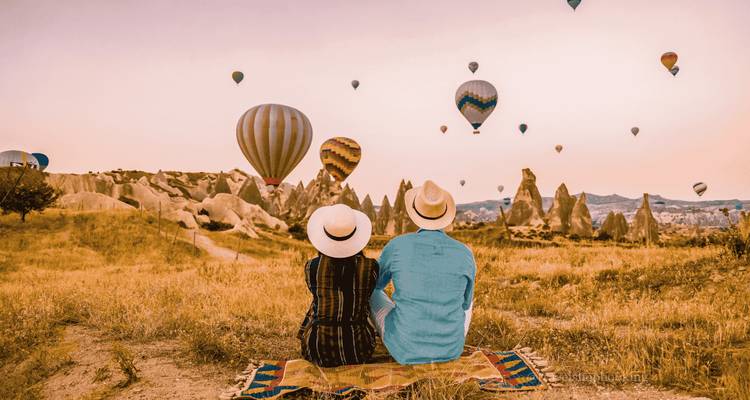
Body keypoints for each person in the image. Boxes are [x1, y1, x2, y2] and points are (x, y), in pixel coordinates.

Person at [370, 180, 476, 365]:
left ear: (415, 214)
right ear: (445, 214)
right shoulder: (465, 252)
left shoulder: (397, 246)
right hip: (451, 349)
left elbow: (376, 284)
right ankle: (443, 339)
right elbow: (466, 304)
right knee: (470, 302)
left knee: (371, 292)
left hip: (404, 348)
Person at [298, 204, 379, 367]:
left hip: (317, 348)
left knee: (318, 301)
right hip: (358, 350)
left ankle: (304, 334)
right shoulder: (370, 267)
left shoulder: (311, 267)